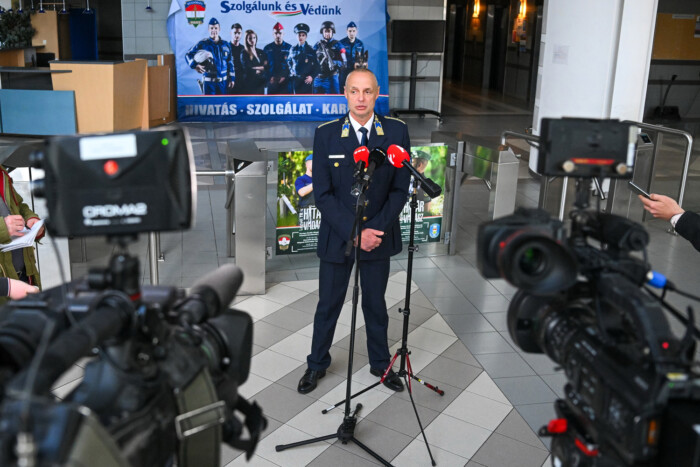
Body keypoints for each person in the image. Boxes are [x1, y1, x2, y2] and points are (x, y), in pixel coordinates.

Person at [297, 69, 411, 395]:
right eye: (354, 91)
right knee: (328, 305)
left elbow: (399, 190)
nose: (361, 98)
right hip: (339, 236)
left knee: (375, 304)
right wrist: (355, 232)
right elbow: (323, 194)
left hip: (378, 236)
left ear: (377, 93)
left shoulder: (395, 131)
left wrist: (374, 229)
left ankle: (380, 363)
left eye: (367, 91)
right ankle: (316, 363)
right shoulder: (327, 134)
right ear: (345, 93)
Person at [0, 165, 43, 302]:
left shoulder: (1, 173)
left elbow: (18, 205)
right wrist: (2, 228)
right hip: (4, 287)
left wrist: (31, 219)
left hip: (23, 274)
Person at [184, 18, 234, 95]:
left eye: (216, 28)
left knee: (223, 102)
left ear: (219, 29)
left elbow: (230, 62)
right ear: (208, 29)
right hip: (209, 84)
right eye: (211, 28)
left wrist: (232, 79)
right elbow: (188, 55)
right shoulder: (203, 44)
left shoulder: (226, 45)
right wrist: (195, 65)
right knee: (209, 102)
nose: (214, 30)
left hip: (223, 84)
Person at [313, 21, 346, 94]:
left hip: (332, 78)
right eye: (325, 31)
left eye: (329, 31)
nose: (327, 33)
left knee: (335, 99)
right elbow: (311, 59)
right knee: (316, 99)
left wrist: (335, 63)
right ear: (322, 32)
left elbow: (344, 62)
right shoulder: (318, 45)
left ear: (332, 32)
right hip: (319, 78)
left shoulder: (338, 45)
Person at [288, 23, 319, 94]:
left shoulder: (311, 50)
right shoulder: (293, 49)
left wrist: (312, 76)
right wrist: (291, 71)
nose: (301, 37)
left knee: (308, 99)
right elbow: (289, 62)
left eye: (303, 35)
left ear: (306, 36)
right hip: (296, 79)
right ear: (296, 36)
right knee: (296, 99)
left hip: (307, 80)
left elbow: (317, 66)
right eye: (299, 35)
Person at [263, 22, 292, 94]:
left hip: (286, 82)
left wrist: (285, 77)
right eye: (276, 33)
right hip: (272, 82)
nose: (278, 35)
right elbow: (264, 66)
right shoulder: (267, 48)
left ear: (283, 34)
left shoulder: (289, 48)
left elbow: (292, 66)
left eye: (280, 33)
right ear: (273, 34)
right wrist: (269, 78)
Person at [339, 21, 366, 93]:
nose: (351, 33)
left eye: (353, 31)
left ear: (356, 31)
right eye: (350, 31)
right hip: (344, 71)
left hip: (355, 71)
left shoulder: (360, 44)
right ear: (346, 31)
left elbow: (362, 58)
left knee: (354, 89)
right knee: (343, 89)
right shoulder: (341, 43)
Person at [239, 29, 268, 94]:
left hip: (261, 83)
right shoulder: (244, 53)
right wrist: (261, 68)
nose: (252, 40)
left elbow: (266, 66)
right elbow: (247, 68)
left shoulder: (261, 52)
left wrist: (256, 68)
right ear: (246, 40)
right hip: (249, 83)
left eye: (254, 38)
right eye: (250, 38)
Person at [229, 23, 245, 94]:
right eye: (235, 33)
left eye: (239, 33)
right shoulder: (226, 48)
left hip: (241, 81)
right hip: (229, 80)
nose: (237, 35)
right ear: (231, 33)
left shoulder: (243, 49)